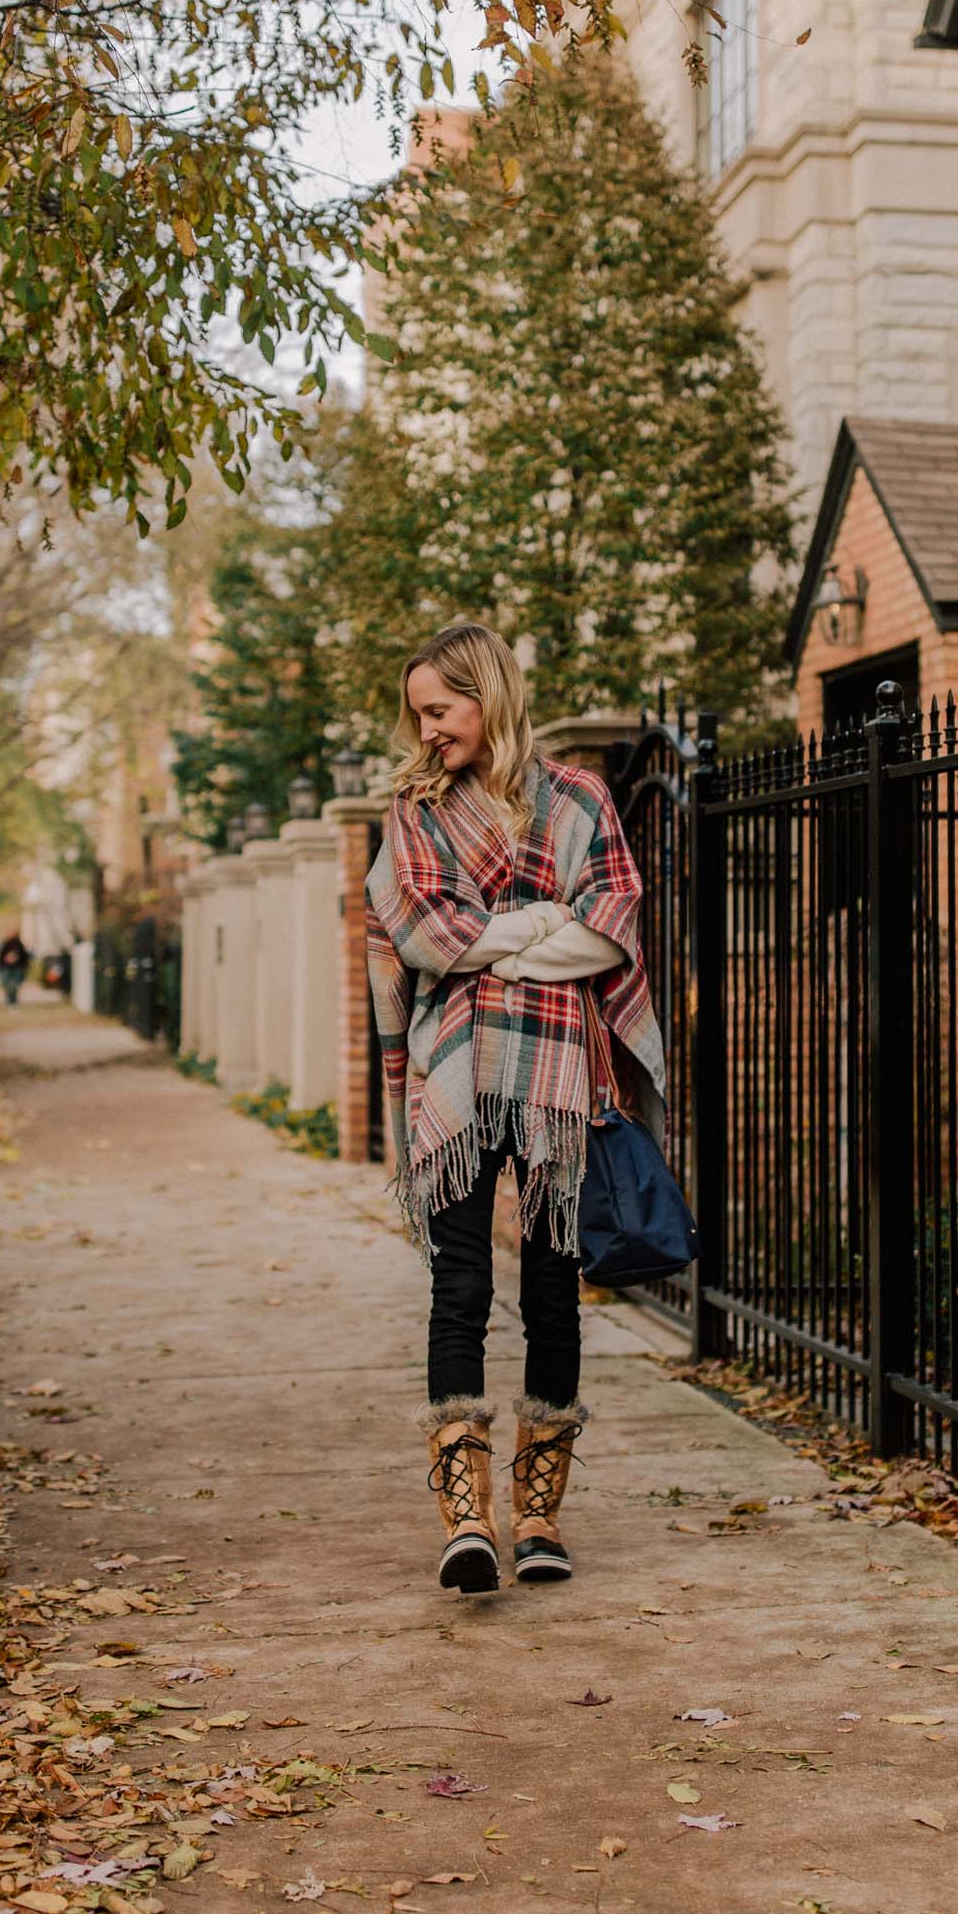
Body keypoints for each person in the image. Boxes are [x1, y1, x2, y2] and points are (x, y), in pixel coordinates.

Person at [367, 619, 665, 1595]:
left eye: (439, 709)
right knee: (458, 1291)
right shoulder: (416, 809)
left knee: (550, 1292)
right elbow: (419, 929)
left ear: (486, 698)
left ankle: (538, 1514)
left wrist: (496, 935)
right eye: (420, 713)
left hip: (555, 1083)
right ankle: (466, 1514)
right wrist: (544, 920)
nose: (428, 730)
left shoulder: (579, 798)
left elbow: (612, 923)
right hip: (455, 1077)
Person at [0, 931, 31, 1005]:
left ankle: (12, 999)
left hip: (17, 967)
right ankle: (9, 999)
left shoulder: (20, 945)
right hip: (5, 967)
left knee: (14, 985)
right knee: (6, 984)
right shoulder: (5, 944)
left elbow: (25, 957)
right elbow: (0, 955)